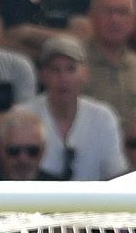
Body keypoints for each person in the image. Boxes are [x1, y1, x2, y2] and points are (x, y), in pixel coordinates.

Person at [27, 35, 125, 181]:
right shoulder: (24, 115)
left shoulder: (103, 116)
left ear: (85, 74)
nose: (63, 77)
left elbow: (115, 174)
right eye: (55, 70)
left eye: (71, 69)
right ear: (42, 75)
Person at [81, 0, 136, 124]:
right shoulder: (73, 65)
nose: (115, 19)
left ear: (135, 20)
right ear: (91, 16)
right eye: (107, 11)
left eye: (123, 12)